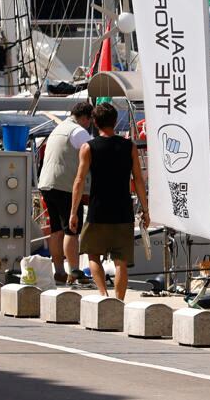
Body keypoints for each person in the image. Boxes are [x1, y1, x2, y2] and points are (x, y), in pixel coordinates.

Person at [69, 103, 147, 298]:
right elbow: (138, 179)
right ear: (115, 121)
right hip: (123, 209)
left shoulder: (88, 147)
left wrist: (73, 212)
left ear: (95, 122)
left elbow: (78, 181)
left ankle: (104, 295)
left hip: (98, 209)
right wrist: (146, 209)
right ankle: (119, 301)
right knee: (121, 261)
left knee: (93, 254)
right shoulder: (129, 146)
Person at [37, 102, 95, 285]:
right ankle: (75, 271)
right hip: (64, 185)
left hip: (47, 183)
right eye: (89, 120)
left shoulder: (59, 128)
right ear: (85, 118)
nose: (89, 123)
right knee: (72, 227)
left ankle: (59, 271)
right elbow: (93, 153)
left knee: (56, 229)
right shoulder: (78, 132)